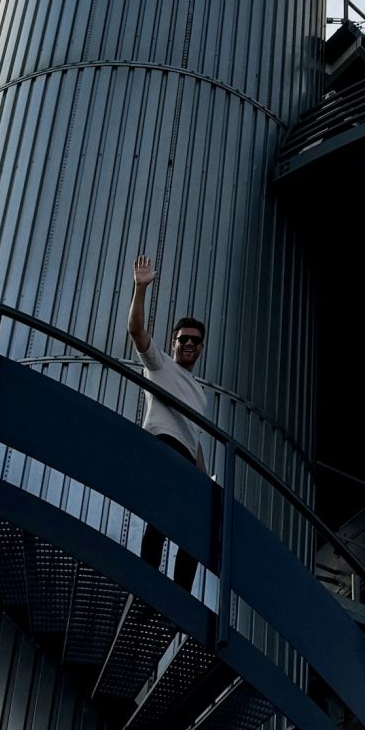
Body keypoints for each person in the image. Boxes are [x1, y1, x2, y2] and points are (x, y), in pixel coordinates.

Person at [128, 254, 211, 592]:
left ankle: (179, 597)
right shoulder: (160, 364)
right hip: (163, 445)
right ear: (174, 343)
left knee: (192, 531)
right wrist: (140, 288)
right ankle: (149, 591)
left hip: (188, 459)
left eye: (194, 340)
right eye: (183, 339)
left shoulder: (201, 394)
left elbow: (195, 438)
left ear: (201, 347)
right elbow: (135, 330)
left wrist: (205, 480)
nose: (189, 343)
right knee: (161, 522)